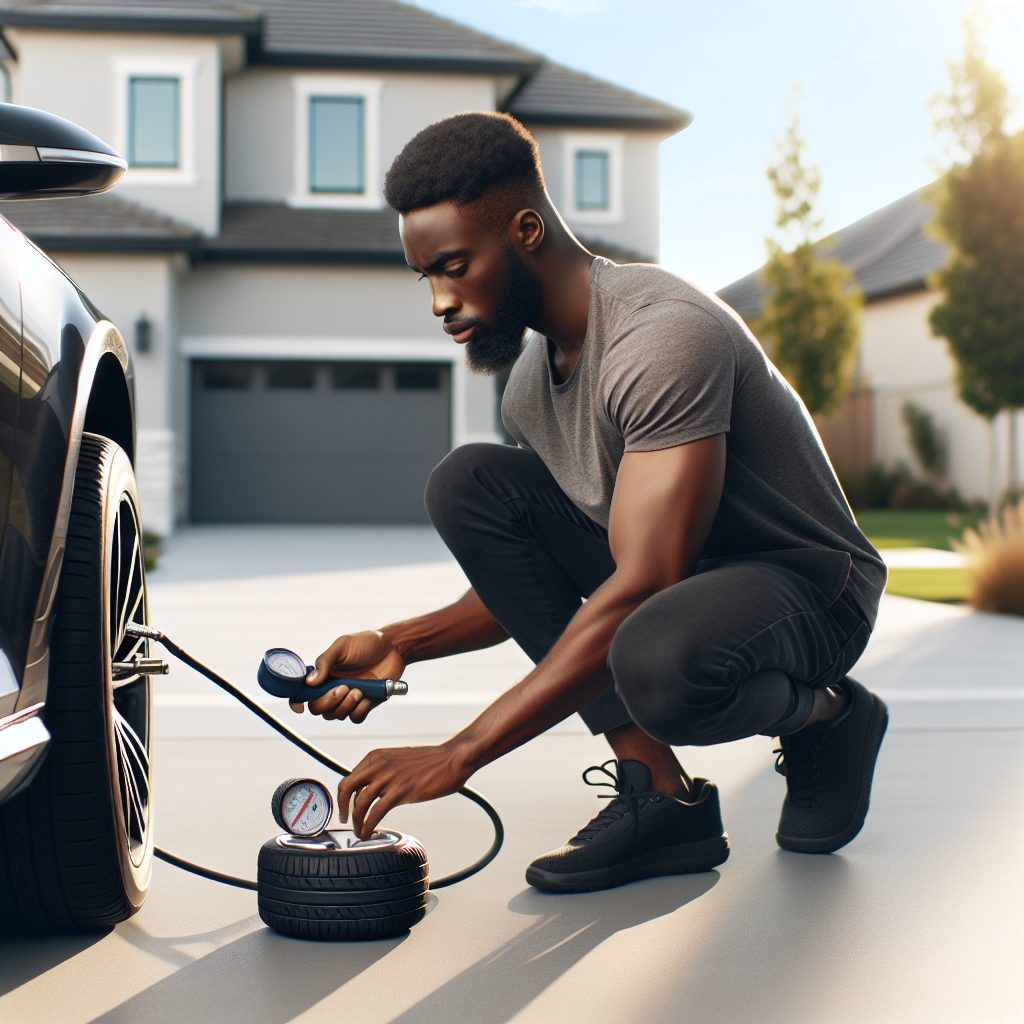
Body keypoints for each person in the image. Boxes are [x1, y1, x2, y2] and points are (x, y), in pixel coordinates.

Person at [292, 111, 889, 893]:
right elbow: (536, 582)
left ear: (526, 230)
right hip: (681, 586)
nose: (439, 302)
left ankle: (829, 716)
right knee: (470, 485)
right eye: (425, 277)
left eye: (454, 267)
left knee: (655, 657)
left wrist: (461, 752)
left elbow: (641, 583)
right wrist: (402, 641)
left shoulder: (661, 336)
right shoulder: (530, 387)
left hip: (812, 587)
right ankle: (661, 797)